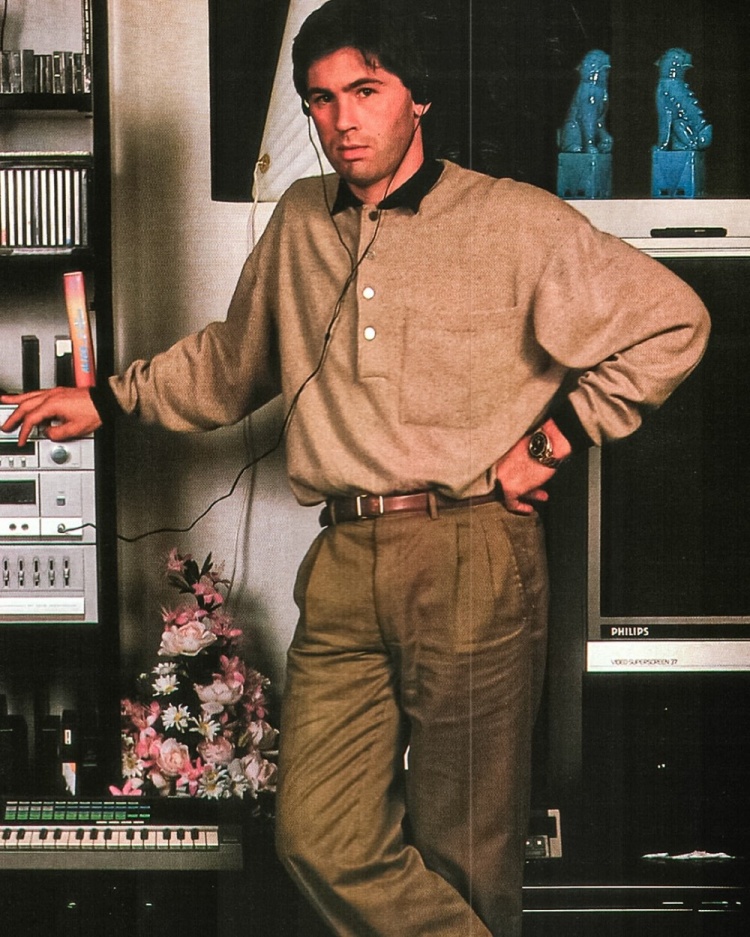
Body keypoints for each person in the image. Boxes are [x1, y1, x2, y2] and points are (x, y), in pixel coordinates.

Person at [1, 1, 710, 934]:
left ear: (418, 97)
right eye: (321, 99)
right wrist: (110, 399)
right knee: (315, 832)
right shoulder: (301, 219)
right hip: (342, 559)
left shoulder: (512, 220)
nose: (342, 119)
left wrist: (550, 440)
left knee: (464, 852)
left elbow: (674, 321)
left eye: (366, 91)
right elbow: (231, 363)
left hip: (472, 554)